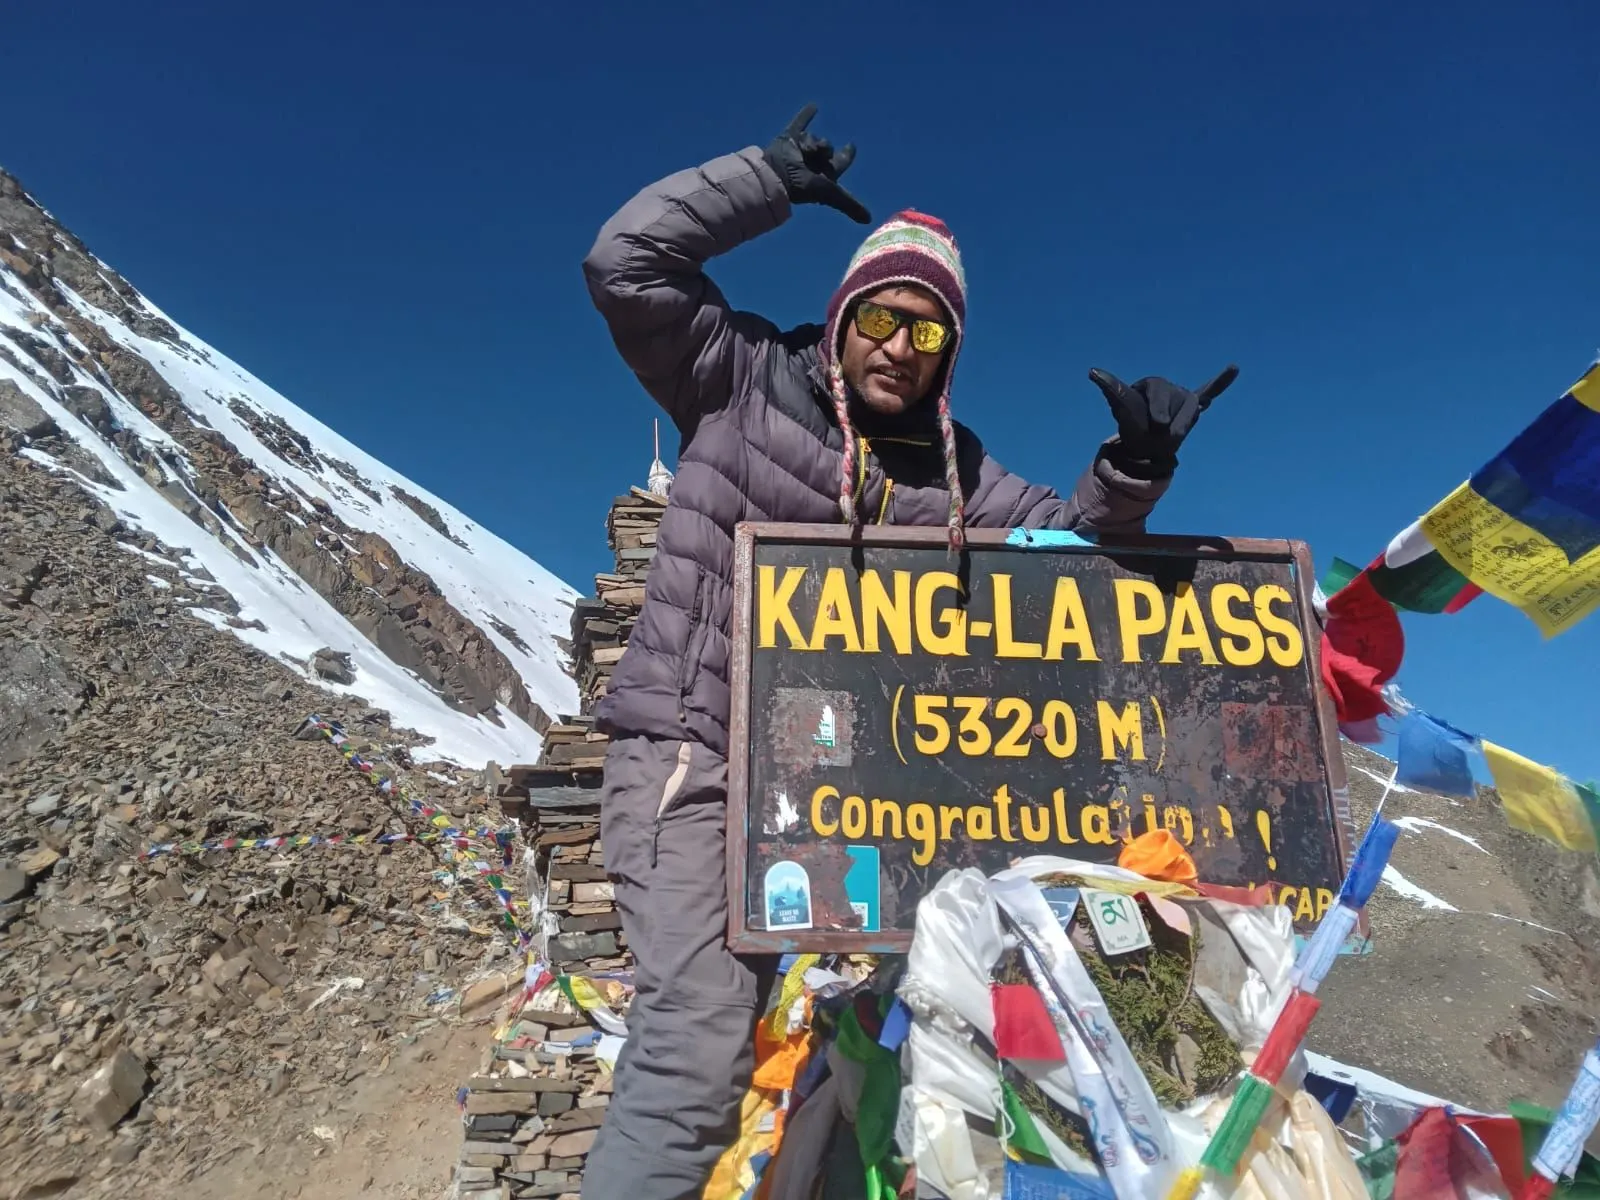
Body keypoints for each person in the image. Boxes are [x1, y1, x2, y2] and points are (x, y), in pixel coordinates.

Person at [578, 104, 1236, 1200]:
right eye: (881, 318)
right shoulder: (734, 375)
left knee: (917, 1030)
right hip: (697, 755)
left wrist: (1130, 470)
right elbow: (625, 263)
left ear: (948, 355)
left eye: (927, 334)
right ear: (845, 316)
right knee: (694, 1047)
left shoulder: (955, 475)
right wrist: (763, 180)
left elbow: (1065, 553)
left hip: (845, 790)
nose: (898, 346)